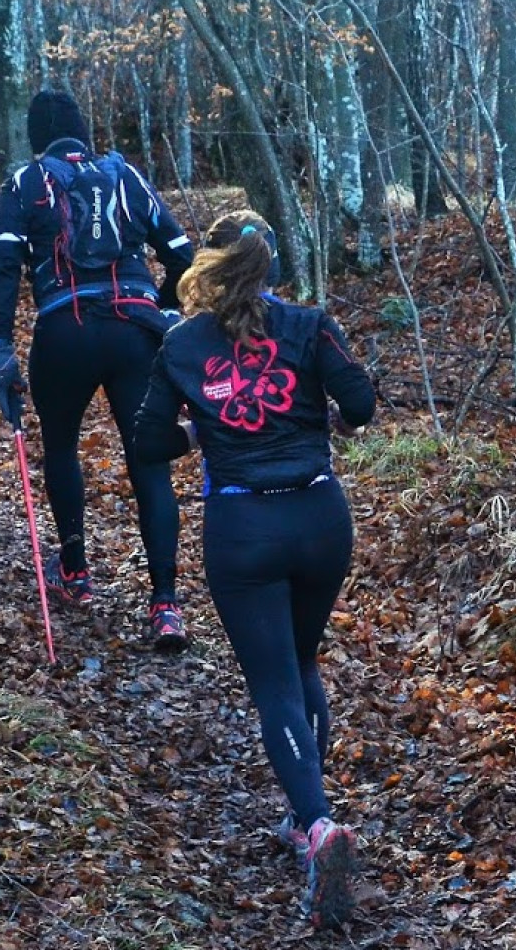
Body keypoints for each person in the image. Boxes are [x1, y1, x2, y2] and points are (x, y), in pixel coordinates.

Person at [133, 210, 376, 929]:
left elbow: (148, 441)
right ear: (268, 264)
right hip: (320, 516)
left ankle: (318, 824)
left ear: (208, 263)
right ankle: (306, 818)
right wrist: (324, 419)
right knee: (302, 660)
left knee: (274, 681)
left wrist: (198, 431)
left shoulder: (183, 343)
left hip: (243, 527)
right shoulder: (309, 325)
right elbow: (361, 405)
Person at [0, 90, 195, 650]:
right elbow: (182, 254)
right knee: (148, 460)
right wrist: (162, 304)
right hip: (135, 332)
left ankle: (75, 572)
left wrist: (0, 347)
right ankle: (166, 605)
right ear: (84, 132)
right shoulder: (126, 177)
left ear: (37, 138)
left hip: (65, 331)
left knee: (61, 448)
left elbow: (5, 266)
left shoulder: (25, 182)